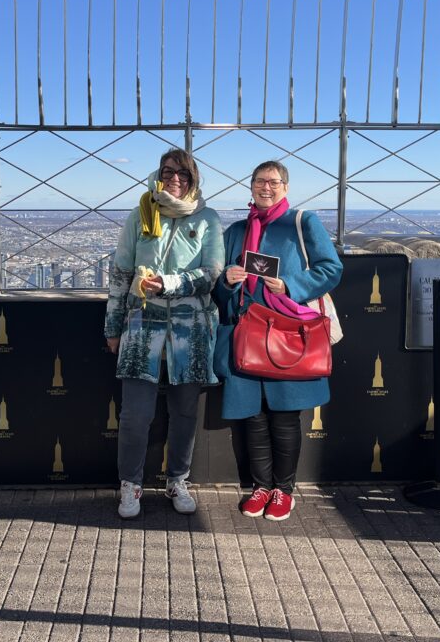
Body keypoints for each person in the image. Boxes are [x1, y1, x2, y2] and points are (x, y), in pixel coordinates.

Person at [213, 161, 342, 521]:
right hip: (246, 334)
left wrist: (290, 286)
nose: (265, 187)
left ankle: (284, 491)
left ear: (285, 187)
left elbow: (331, 269)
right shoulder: (237, 231)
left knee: (284, 418)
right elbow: (218, 286)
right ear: (250, 186)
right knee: (252, 418)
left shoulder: (303, 222)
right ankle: (261, 487)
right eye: (259, 181)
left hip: (286, 335)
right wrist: (227, 281)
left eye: (273, 182)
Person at [104, 148, 225, 519]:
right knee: (135, 414)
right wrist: (112, 327)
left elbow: (213, 273)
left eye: (184, 174)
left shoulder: (208, 220)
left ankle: (178, 479)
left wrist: (168, 283)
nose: (175, 179)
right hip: (142, 325)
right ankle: (130, 484)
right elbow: (122, 274)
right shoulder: (140, 214)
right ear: (159, 174)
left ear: (194, 180)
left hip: (191, 330)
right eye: (169, 172)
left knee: (184, 412)